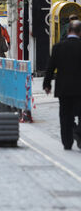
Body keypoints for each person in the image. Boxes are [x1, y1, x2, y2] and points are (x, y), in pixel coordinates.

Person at [43, 20, 81, 150]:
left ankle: (67, 142)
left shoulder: (58, 47)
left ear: (68, 31)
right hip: (79, 88)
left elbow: (50, 67)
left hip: (63, 88)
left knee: (65, 115)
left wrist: (47, 84)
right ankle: (79, 136)